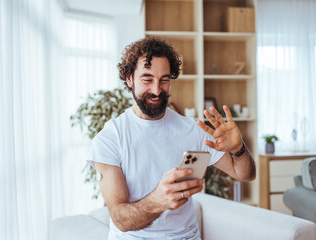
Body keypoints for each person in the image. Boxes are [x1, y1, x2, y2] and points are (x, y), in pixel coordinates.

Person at [87, 37, 256, 240]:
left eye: (164, 80)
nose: (157, 90)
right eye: (147, 79)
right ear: (130, 79)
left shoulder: (192, 129)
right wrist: (159, 200)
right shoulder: (110, 139)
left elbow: (244, 174)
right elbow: (120, 219)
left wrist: (238, 149)